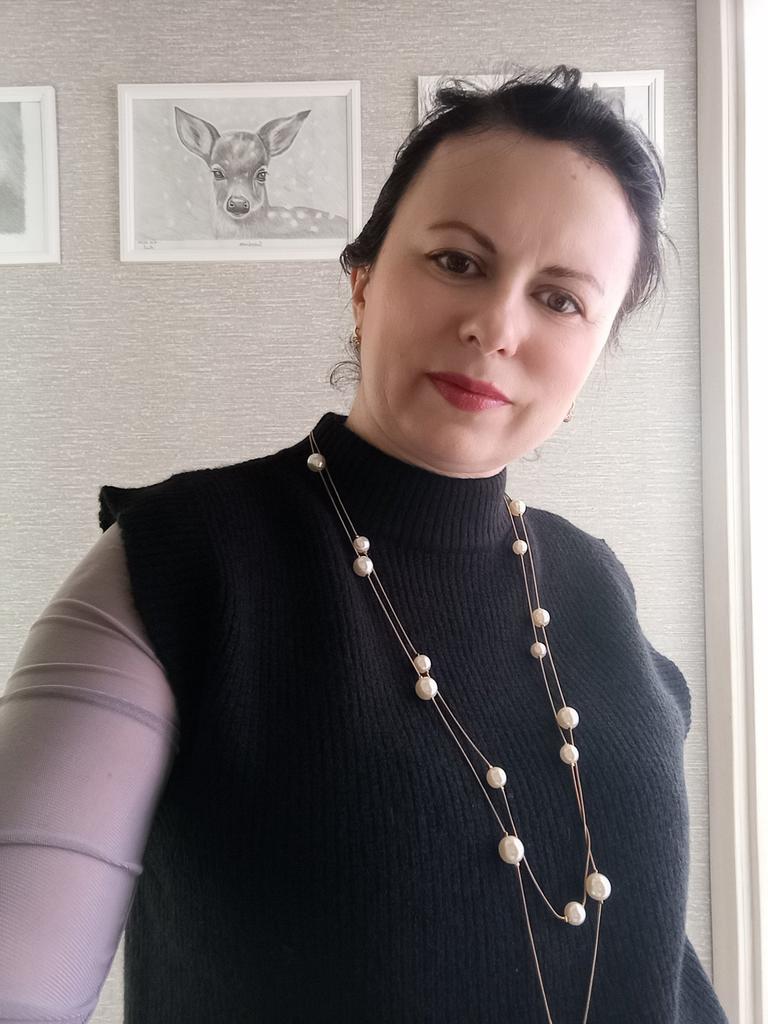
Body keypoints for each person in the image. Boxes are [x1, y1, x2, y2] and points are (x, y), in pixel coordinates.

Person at [0, 64, 730, 1023]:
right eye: (458, 262)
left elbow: (651, 958)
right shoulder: (183, 565)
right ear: (364, 280)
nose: (495, 326)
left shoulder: (596, 584)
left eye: (561, 300)